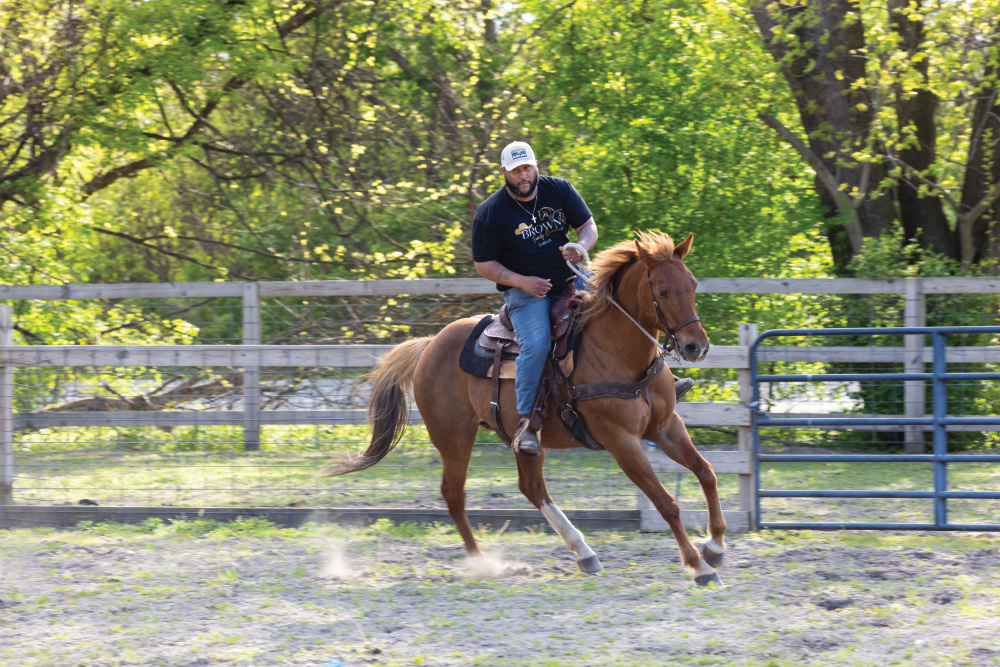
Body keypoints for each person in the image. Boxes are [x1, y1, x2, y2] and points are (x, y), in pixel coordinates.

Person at [471, 141, 691, 456]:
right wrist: (522, 282)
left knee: (622, 307)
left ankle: (662, 380)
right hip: (526, 292)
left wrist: (581, 247)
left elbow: (587, 226)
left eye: (528, 167)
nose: (524, 174)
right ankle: (528, 422)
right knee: (536, 344)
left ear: (536, 166)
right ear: (504, 171)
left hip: (571, 277)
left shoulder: (558, 189)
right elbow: (484, 264)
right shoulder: (491, 212)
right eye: (517, 169)